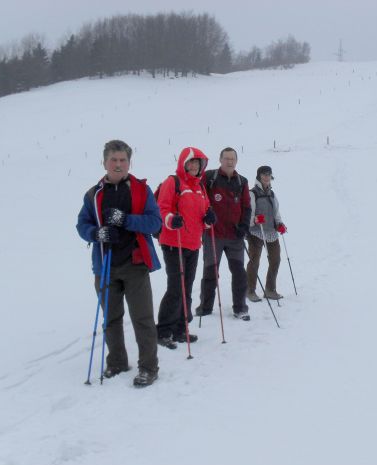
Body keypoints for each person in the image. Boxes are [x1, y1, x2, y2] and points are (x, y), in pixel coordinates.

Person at [76, 140, 161, 388]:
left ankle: (148, 367)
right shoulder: (94, 194)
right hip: (105, 266)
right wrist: (96, 233)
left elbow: (155, 224)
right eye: (113, 159)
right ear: (104, 162)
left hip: (135, 264)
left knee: (142, 318)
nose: (118, 164)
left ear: (129, 162)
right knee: (111, 318)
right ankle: (117, 362)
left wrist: (126, 220)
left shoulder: (140, 190)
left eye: (123, 160)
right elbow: (82, 225)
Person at [156, 147, 215, 349]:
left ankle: (181, 329)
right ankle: (163, 330)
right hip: (174, 243)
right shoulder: (172, 182)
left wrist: (208, 220)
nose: (194, 166)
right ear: (183, 163)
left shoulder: (200, 188)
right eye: (191, 162)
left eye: (197, 163)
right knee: (175, 287)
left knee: (187, 287)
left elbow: (204, 213)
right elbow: (161, 208)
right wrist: (171, 219)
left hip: (192, 243)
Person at [196, 147, 252, 321]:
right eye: (226, 158)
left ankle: (240, 307)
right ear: (220, 159)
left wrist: (243, 226)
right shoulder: (210, 178)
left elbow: (247, 207)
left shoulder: (242, 181)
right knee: (210, 272)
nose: (229, 162)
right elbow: (200, 198)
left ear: (236, 161)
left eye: (232, 159)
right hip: (213, 234)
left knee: (239, 273)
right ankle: (205, 307)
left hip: (235, 236)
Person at [246, 166, 287, 302]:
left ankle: (270, 290)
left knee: (275, 259)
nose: (266, 177)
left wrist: (279, 224)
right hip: (256, 232)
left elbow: (276, 212)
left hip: (271, 232)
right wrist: (255, 220)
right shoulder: (252, 193)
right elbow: (248, 214)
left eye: (269, 174)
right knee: (254, 261)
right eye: (264, 174)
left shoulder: (272, 194)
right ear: (259, 176)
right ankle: (249, 290)